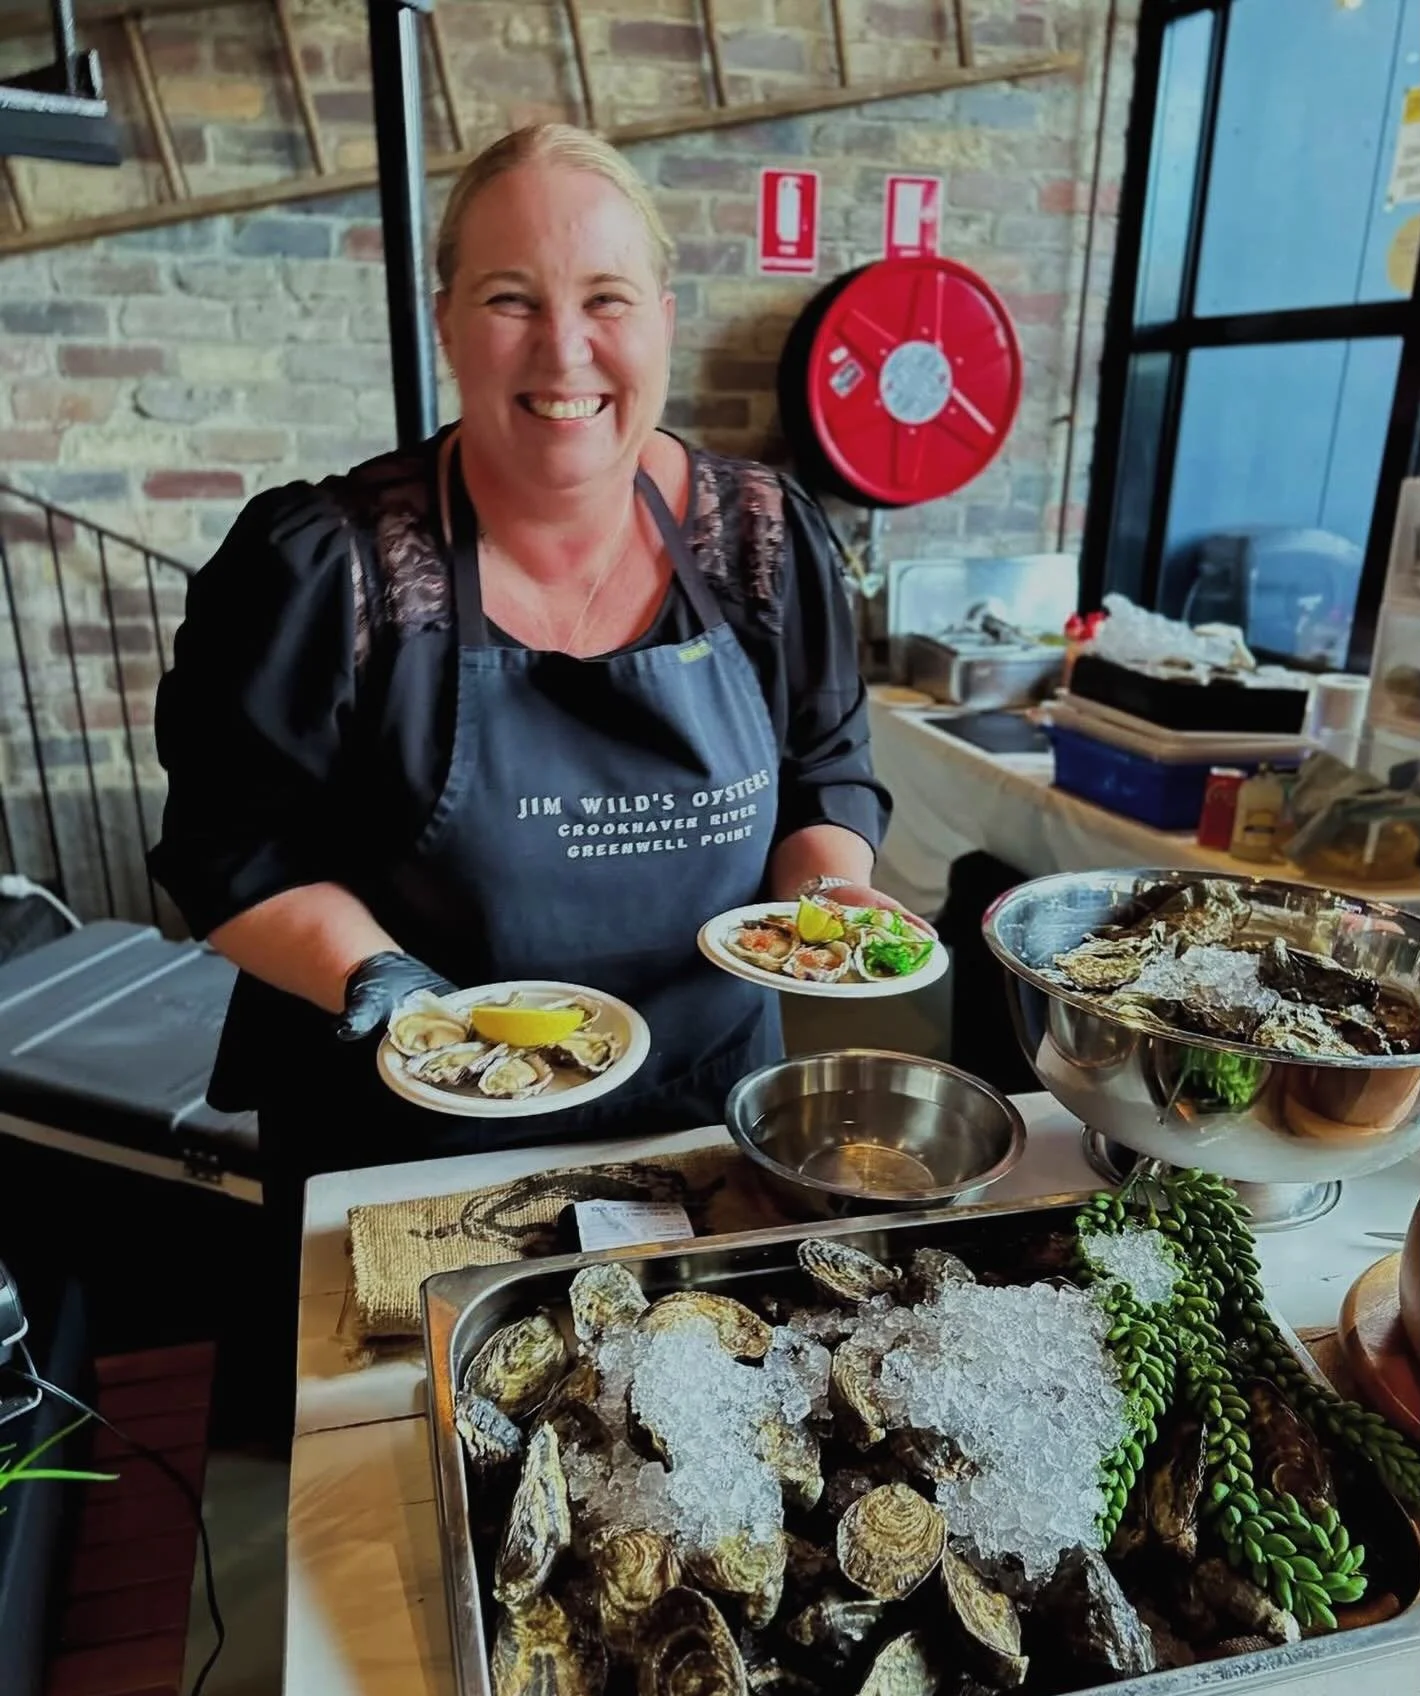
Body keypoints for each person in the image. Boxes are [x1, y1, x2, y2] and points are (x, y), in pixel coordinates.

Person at [150, 123, 910, 1183]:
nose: (564, 350)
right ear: (447, 325)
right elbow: (233, 850)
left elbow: (823, 768)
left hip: (706, 1124)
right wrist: (377, 976)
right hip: (409, 1132)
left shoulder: (763, 539)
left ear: (662, 323)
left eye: (606, 298)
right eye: (511, 298)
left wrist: (826, 899)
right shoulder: (325, 567)